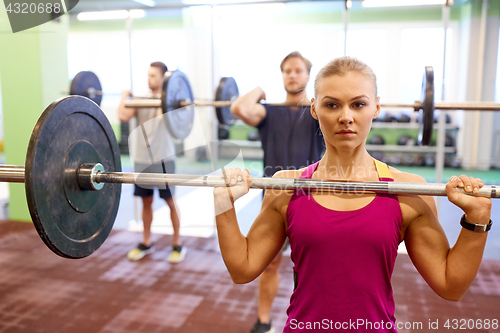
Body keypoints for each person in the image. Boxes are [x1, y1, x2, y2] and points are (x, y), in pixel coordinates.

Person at [214, 56, 492, 332]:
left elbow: (450, 285)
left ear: (376, 107)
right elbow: (243, 269)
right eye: (332, 104)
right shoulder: (286, 188)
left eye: (358, 104)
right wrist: (223, 204)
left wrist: (476, 219)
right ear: (314, 109)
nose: (345, 116)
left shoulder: (408, 191)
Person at [230, 51, 324, 333]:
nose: (292, 75)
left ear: (308, 76)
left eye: (298, 70)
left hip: (311, 197)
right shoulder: (268, 112)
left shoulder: (317, 112)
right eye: (287, 71)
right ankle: (263, 321)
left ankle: (311, 321)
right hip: (273, 197)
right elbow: (238, 108)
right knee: (269, 263)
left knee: (311, 268)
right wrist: (260, 90)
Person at [118, 61, 186, 263]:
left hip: (163, 158)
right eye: (148, 75)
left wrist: (165, 100)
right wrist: (124, 97)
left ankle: (177, 243)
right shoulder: (140, 99)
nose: (149, 79)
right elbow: (123, 115)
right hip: (142, 159)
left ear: (164, 79)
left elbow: (163, 120)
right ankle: (146, 242)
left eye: (153, 76)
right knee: (146, 201)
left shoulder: (170, 102)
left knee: (170, 201)